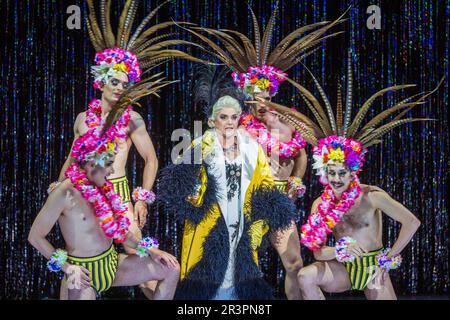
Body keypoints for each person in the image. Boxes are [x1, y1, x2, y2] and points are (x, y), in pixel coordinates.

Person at [181, 2, 347, 300]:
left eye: (265, 97)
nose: (260, 104)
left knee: (293, 262)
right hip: (251, 196)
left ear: (272, 93)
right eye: (255, 98)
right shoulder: (237, 126)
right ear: (247, 97)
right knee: (242, 262)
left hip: (281, 196)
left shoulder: (287, 122)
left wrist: (296, 180)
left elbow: (301, 155)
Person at [49, 0, 208, 299]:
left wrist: (142, 199)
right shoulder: (83, 120)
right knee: (81, 253)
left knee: (141, 254)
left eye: (125, 82)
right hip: (83, 191)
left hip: (118, 191)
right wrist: (59, 187)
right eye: (114, 80)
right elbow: (73, 157)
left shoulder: (132, 119)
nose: (119, 87)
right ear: (101, 81)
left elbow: (151, 159)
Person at [263, 62, 443, 299]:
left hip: (371, 266)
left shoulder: (371, 196)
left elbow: (412, 222)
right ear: (324, 174)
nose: (336, 179)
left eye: (341, 173)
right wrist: (338, 250)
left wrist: (387, 260)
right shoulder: (320, 204)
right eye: (331, 173)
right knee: (305, 275)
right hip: (341, 269)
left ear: (352, 172)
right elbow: (318, 253)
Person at [29, 109, 180, 300]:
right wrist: (68, 268)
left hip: (112, 265)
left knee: (171, 268)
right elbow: (35, 236)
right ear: (92, 164)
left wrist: (152, 250)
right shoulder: (64, 193)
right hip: (82, 272)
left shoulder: (107, 190)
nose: (111, 171)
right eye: (108, 165)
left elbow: (119, 232)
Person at [157, 94, 297, 299]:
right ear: (213, 121)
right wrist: (194, 195)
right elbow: (179, 184)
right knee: (206, 282)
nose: (229, 122)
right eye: (223, 117)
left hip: (241, 220)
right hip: (209, 222)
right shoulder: (200, 146)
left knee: (240, 280)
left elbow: (265, 184)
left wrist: (261, 221)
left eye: (233, 117)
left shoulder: (252, 148)